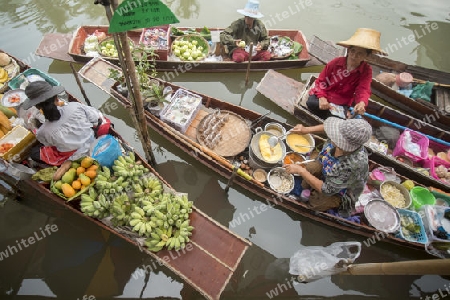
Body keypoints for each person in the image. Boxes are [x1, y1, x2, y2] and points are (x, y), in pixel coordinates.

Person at [283, 117, 372, 212]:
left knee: (316, 203)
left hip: (338, 189)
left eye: (337, 136)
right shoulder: (342, 139)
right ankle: (307, 185)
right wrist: (307, 129)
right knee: (311, 168)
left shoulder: (352, 166)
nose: (333, 135)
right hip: (326, 165)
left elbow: (327, 190)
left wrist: (301, 171)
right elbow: (327, 127)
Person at [22, 81, 109, 166]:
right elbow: (94, 117)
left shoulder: (42, 132)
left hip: (74, 157)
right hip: (92, 141)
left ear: (37, 107)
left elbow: (50, 145)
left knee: (34, 152)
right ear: (56, 98)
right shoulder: (75, 106)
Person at [306, 28, 387, 120]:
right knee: (311, 103)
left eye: (360, 54)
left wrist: (361, 103)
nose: (354, 56)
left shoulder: (366, 71)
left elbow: (363, 89)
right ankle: (329, 117)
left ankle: (331, 118)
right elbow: (321, 81)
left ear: (366, 56)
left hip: (341, 102)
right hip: (326, 93)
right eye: (353, 51)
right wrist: (322, 97)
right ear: (348, 50)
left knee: (336, 118)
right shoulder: (335, 62)